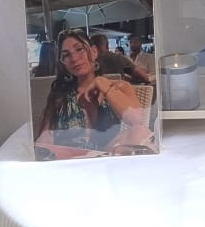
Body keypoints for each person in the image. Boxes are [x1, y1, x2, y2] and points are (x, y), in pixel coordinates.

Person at [36, 28, 153, 159]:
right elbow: (44, 139)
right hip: (69, 162)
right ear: (63, 63)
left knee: (140, 132)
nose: (74, 58)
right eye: (66, 55)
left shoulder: (120, 87)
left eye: (79, 49)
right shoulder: (60, 95)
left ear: (94, 52)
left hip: (105, 160)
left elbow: (137, 121)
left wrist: (101, 83)